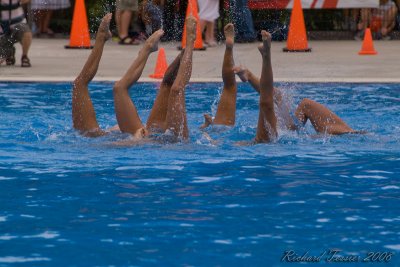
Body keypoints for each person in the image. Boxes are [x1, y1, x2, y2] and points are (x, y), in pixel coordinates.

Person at [72, 13, 197, 143]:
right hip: (153, 140)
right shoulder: (177, 139)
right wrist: (187, 50)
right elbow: (171, 84)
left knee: (80, 85)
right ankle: (181, 44)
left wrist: (135, 140)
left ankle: (106, 39)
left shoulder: (91, 139)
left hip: (141, 139)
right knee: (169, 86)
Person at [0, 0, 32, 67]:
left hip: (17, 24)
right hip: (3, 28)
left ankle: (24, 56)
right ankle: (9, 52)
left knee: (26, 31)